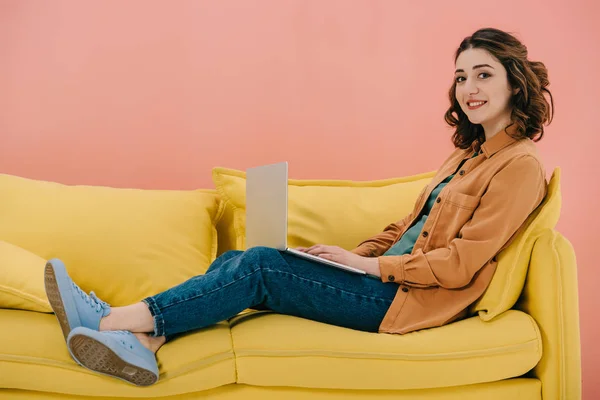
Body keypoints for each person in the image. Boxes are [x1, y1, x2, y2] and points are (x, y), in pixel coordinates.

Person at [44, 27, 554, 386]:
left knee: (261, 264)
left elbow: (462, 261)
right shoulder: (465, 156)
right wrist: (344, 258)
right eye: (462, 77)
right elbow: (409, 226)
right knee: (236, 262)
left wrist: (369, 267)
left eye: (483, 75)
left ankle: (110, 320)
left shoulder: (519, 165)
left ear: (515, 82)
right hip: (379, 282)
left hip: (406, 303)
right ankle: (145, 347)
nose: (469, 89)